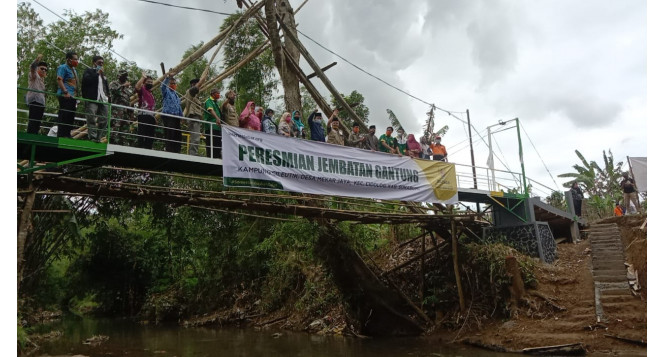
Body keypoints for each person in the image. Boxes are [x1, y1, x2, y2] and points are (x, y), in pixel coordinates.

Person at [81, 55, 110, 143]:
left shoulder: (103, 75)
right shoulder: (89, 71)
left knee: (104, 119)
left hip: (103, 98)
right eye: (99, 62)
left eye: (102, 63)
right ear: (94, 63)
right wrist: (97, 72)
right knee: (91, 117)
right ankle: (92, 137)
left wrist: (108, 96)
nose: (101, 64)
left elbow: (106, 87)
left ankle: (98, 138)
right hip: (92, 98)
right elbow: (86, 81)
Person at [55, 51, 79, 138]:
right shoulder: (63, 67)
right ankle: (61, 134)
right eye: (75, 59)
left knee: (70, 116)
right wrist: (65, 91)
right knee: (64, 115)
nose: (77, 61)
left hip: (73, 96)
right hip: (65, 95)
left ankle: (67, 134)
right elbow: (59, 79)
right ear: (69, 60)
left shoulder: (74, 70)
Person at [109, 69, 134, 145]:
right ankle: (112, 144)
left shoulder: (128, 87)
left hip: (126, 112)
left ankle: (123, 144)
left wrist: (131, 112)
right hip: (116, 111)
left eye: (125, 76)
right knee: (114, 129)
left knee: (124, 131)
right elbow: (114, 91)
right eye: (123, 75)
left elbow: (128, 99)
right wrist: (123, 86)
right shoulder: (114, 83)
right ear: (118, 75)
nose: (124, 77)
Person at [161, 71, 183, 153]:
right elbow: (162, 87)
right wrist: (167, 78)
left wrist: (182, 116)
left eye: (174, 83)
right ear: (169, 84)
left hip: (176, 117)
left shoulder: (177, 96)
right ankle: (169, 150)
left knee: (178, 135)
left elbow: (179, 106)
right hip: (168, 116)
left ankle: (177, 151)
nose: (173, 85)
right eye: (171, 83)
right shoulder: (166, 92)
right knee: (170, 134)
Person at [181, 78, 205, 156]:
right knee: (195, 137)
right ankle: (193, 154)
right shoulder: (190, 92)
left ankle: (193, 153)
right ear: (193, 85)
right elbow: (201, 81)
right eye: (197, 84)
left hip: (196, 118)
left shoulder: (195, 96)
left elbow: (186, 108)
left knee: (195, 136)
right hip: (194, 117)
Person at [26, 54, 48, 134]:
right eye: (42, 68)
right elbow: (32, 67)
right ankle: (30, 137)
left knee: (37, 122)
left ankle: (34, 135)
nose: (44, 71)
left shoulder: (42, 80)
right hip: (34, 101)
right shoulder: (34, 76)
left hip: (41, 103)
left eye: (46, 70)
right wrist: (37, 60)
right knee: (33, 121)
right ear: (38, 68)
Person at [135, 72, 157, 149]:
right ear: (144, 83)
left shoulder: (151, 94)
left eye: (151, 82)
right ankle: (140, 149)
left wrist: (154, 117)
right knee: (142, 133)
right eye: (148, 82)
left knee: (150, 136)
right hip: (143, 115)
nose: (150, 83)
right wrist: (143, 77)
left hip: (151, 117)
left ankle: (148, 149)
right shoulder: (142, 89)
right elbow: (137, 87)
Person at [204, 88, 223, 158]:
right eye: (217, 93)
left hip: (217, 127)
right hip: (211, 126)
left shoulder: (216, 103)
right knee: (211, 142)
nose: (219, 95)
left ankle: (217, 156)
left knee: (218, 143)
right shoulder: (209, 101)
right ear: (213, 94)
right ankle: (210, 156)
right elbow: (210, 110)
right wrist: (217, 118)